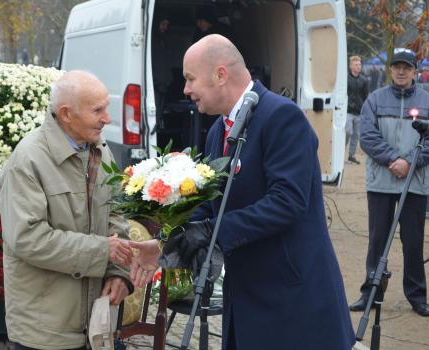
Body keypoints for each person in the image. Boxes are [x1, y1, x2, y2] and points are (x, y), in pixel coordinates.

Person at [130, 34, 355, 349]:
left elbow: (286, 203)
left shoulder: (281, 117)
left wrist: (210, 232)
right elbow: (213, 206)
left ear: (220, 75)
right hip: (247, 298)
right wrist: (166, 245)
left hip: (291, 301)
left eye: (190, 78)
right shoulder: (219, 131)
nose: (185, 90)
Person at [0, 70, 134, 350]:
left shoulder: (100, 150)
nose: (108, 118)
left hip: (93, 324)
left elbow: (117, 213)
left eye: (106, 107)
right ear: (66, 114)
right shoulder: (28, 160)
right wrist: (102, 251)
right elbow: (28, 239)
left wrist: (118, 272)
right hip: (45, 329)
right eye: (98, 110)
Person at [349, 48, 429, 317]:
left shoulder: (427, 101)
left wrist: (410, 161)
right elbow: (367, 137)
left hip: (414, 183)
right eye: (397, 66)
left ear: (414, 70)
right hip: (381, 182)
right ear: (391, 70)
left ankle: (417, 296)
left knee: (414, 241)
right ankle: (371, 292)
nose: (402, 71)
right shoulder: (375, 99)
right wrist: (395, 159)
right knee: (378, 240)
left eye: (407, 67)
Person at [346, 55, 369, 164]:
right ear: (351, 66)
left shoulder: (364, 80)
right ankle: (340, 154)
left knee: (356, 135)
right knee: (348, 132)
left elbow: (366, 96)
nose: (358, 66)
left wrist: (365, 110)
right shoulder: (345, 78)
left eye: (360, 64)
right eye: (356, 64)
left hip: (359, 112)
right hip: (347, 111)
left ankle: (351, 155)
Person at [152, 15, 172, 130]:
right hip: (155, 85)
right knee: (154, 116)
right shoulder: (152, 40)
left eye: (167, 25)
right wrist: (157, 80)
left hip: (163, 84)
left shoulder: (163, 40)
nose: (165, 27)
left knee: (158, 117)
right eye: (163, 24)